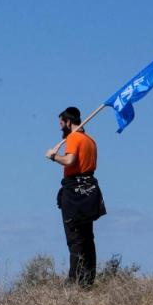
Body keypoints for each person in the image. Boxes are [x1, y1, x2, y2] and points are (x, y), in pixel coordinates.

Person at [45, 106, 106, 288]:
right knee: (88, 238)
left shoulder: (73, 138)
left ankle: (74, 282)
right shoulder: (91, 140)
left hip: (74, 193)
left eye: (61, 123)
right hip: (90, 190)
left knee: (75, 238)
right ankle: (88, 281)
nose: (60, 127)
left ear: (69, 122)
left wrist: (53, 156)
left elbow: (70, 160)